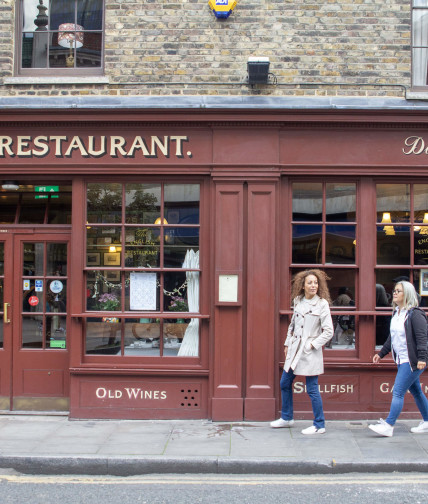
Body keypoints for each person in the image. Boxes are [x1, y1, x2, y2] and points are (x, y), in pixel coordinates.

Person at [270, 269, 333, 435]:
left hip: (309, 352)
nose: (313, 285)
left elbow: (329, 331)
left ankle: (319, 424)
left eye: (315, 283)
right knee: (284, 383)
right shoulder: (298, 300)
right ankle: (287, 417)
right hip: (294, 350)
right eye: (310, 283)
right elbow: (292, 324)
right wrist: (286, 343)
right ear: (303, 286)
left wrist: (312, 345)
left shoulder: (322, 304)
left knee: (312, 389)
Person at [369, 281, 428, 437]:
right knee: (416, 391)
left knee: (398, 391)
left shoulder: (415, 314)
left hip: (412, 360)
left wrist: (422, 358)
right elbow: (392, 337)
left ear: (407, 294)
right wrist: (381, 353)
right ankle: (427, 421)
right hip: (401, 359)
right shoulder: (397, 313)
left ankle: (389, 425)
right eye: (394, 290)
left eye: (398, 291)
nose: (394, 293)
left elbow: (423, 339)